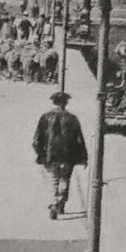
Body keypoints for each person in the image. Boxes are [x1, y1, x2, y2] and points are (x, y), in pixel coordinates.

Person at [32, 89, 90, 220]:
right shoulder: (73, 119)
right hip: (67, 156)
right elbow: (79, 140)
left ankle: (55, 202)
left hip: (50, 156)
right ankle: (58, 203)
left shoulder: (45, 117)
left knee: (54, 179)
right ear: (66, 103)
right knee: (64, 179)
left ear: (54, 102)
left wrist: (41, 154)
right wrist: (84, 157)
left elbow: (36, 140)